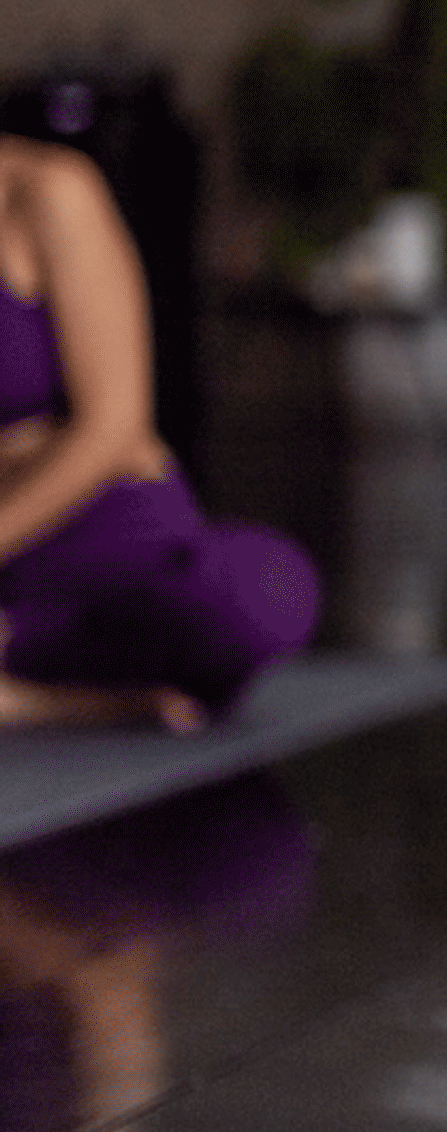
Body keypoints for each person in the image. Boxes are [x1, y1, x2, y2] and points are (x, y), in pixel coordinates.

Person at [0, 138, 319, 732]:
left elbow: (114, 425)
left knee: (266, 591)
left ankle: (29, 675)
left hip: (86, 529)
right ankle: (64, 701)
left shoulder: (48, 191)